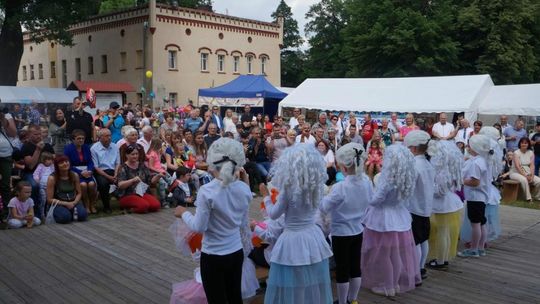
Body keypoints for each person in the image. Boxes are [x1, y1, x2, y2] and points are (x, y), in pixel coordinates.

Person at [175, 138, 251, 304]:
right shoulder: (243, 188)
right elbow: (243, 221)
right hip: (236, 251)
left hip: (213, 255)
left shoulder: (207, 191)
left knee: (217, 299)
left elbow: (199, 227)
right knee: (234, 297)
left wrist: (183, 213)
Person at [261, 144, 333, 304]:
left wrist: (266, 197)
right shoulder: (317, 187)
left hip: (293, 238)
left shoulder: (289, 189)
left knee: (294, 284)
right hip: (312, 235)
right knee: (311, 280)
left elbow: (273, 214)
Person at [361, 144, 420, 296]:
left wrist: (368, 194)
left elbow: (376, 200)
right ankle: (394, 284)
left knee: (384, 255)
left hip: (383, 219)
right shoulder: (406, 177)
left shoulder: (388, 179)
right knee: (395, 254)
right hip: (399, 216)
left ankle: (387, 287)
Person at [319, 143, 373, 304]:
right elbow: (371, 201)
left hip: (341, 232)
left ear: (343, 167)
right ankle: (353, 299)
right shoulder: (366, 182)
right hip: (358, 230)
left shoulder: (340, 188)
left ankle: (342, 301)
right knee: (355, 266)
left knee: (343, 269)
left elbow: (324, 207)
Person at [426, 140, 464, 269]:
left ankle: (441, 260)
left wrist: (429, 187)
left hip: (441, 204)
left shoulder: (442, 171)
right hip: (449, 202)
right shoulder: (451, 169)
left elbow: (440, 192)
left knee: (442, 232)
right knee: (445, 232)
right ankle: (444, 258)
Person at [404, 130, 436, 280]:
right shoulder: (428, 164)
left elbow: (408, 187)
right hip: (426, 207)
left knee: (415, 241)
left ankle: (415, 271)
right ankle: (421, 267)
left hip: (414, 207)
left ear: (414, 149)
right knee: (423, 239)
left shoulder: (414, 165)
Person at [458, 134, 492, 258]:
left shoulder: (476, 163)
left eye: (470, 145)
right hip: (481, 197)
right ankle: (481, 247)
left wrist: (460, 181)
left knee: (475, 223)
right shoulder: (482, 160)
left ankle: (474, 249)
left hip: (475, 196)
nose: (467, 146)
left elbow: (475, 181)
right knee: (482, 222)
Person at [117, 144, 164, 213]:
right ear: (127, 155)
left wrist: (158, 176)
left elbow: (151, 181)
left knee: (156, 205)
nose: (135, 156)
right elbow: (120, 185)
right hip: (127, 195)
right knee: (143, 206)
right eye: (132, 154)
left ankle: (140, 205)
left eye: (136, 154)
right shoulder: (123, 167)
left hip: (141, 193)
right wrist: (132, 180)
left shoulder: (142, 165)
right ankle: (128, 210)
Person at [21, 124, 55, 218]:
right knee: (34, 186)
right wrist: (38, 149)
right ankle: (35, 213)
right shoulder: (26, 147)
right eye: (35, 134)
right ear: (29, 135)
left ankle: (53, 210)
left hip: (47, 172)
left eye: (39, 134)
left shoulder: (47, 145)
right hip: (30, 173)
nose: (39, 136)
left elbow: (54, 161)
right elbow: (31, 166)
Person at [46, 155, 88, 224]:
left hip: (73, 201)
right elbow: (49, 199)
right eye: (61, 162)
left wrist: (74, 203)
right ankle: (64, 213)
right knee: (65, 218)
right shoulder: (52, 178)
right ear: (57, 166)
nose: (65, 164)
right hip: (59, 203)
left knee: (83, 215)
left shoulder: (75, 175)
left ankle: (70, 213)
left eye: (66, 161)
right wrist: (66, 204)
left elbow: (79, 193)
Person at [64, 129, 98, 214]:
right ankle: (86, 205)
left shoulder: (86, 147)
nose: (81, 140)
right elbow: (68, 165)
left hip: (87, 171)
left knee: (91, 184)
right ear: (73, 139)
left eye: (82, 138)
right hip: (75, 172)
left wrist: (90, 170)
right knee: (82, 185)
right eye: (79, 138)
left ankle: (92, 204)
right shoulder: (68, 149)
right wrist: (80, 172)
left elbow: (90, 161)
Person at [90, 129, 120, 213]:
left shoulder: (115, 146)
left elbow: (118, 163)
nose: (109, 137)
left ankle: (127, 202)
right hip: (101, 172)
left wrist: (116, 174)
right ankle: (106, 206)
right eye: (107, 136)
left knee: (124, 180)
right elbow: (96, 167)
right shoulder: (94, 148)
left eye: (110, 135)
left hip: (114, 171)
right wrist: (109, 177)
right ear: (100, 138)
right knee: (103, 184)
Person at [509, 137, 540, 202]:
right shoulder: (516, 153)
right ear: (519, 144)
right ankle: (528, 198)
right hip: (515, 172)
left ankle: (536, 197)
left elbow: (532, 165)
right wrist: (525, 176)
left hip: (527, 171)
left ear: (528, 144)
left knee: (538, 181)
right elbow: (517, 166)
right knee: (524, 180)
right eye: (522, 143)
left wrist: (531, 175)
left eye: (526, 143)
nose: (524, 144)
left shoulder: (531, 152)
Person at [0, 109, 18, 207]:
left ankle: (6, 211)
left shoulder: (6, 116)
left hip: (6, 154)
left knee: (5, 184)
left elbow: (13, 134)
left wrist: (3, 120)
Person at [146, 138, 169, 206]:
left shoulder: (157, 153)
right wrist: (159, 170)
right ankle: (163, 200)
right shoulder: (152, 154)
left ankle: (168, 197)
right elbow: (151, 167)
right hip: (155, 173)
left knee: (170, 181)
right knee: (162, 183)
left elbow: (157, 163)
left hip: (160, 170)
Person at [32, 152, 55, 218]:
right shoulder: (40, 166)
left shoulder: (52, 166)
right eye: (48, 159)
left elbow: (55, 174)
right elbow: (35, 174)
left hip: (50, 187)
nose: (50, 161)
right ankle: (42, 213)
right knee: (43, 200)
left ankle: (48, 212)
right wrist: (37, 180)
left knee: (49, 200)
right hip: (42, 187)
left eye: (51, 159)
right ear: (43, 160)